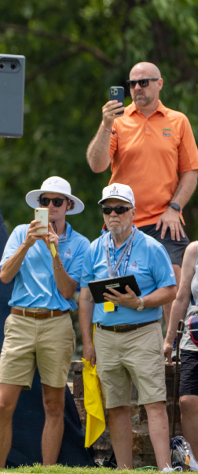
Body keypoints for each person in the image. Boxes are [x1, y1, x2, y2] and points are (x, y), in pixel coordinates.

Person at [86, 62, 198, 325]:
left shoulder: (177, 120)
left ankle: (173, 349)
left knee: (176, 276)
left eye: (144, 82)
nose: (137, 88)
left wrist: (175, 208)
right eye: (132, 83)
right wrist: (105, 125)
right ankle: (109, 341)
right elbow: (96, 165)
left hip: (164, 218)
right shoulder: (118, 120)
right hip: (122, 217)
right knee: (105, 281)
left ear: (159, 84)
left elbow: (191, 172)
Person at [0, 177, 90, 468]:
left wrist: (54, 250)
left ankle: (47, 473)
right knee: (2, 404)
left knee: (54, 404)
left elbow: (69, 291)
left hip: (56, 323)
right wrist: (27, 244)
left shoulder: (80, 243)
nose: (50, 207)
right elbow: (4, 276)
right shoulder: (22, 232)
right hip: (20, 320)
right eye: (44, 201)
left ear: (68, 206)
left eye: (56, 202)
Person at [79, 184, 177, 471]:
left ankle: (165, 470)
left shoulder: (151, 247)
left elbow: (170, 290)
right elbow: (85, 295)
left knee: (154, 402)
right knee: (116, 406)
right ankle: (125, 471)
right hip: (106, 336)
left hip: (143, 332)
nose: (114, 214)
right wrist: (87, 341)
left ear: (133, 213)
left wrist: (141, 302)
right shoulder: (96, 248)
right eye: (108, 209)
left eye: (120, 209)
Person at [163, 241, 198, 453]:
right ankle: (194, 462)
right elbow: (182, 296)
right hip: (194, 335)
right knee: (187, 400)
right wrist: (169, 339)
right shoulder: (194, 250)